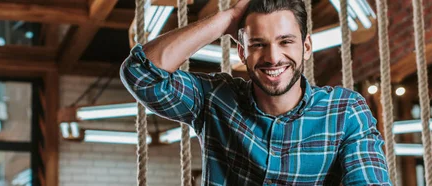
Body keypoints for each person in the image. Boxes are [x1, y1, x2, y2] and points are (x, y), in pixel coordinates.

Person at [120, 0, 391, 185]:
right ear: (242, 51)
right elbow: (139, 74)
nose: (273, 58)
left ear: (306, 47)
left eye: (286, 41)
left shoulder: (345, 111)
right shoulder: (215, 99)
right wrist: (227, 19)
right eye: (259, 44)